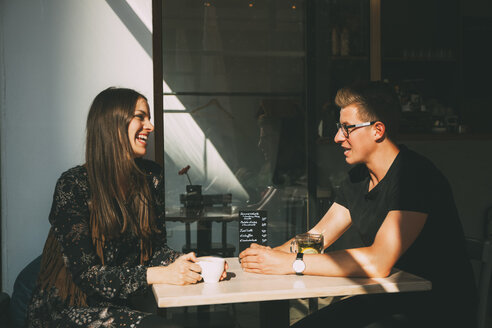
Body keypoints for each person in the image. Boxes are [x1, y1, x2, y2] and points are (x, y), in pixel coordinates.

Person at [239, 81, 477, 327]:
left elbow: (378, 262)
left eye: (346, 128)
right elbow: (316, 237)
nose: (337, 137)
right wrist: (264, 256)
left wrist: (292, 264)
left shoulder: (414, 176)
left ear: (377, 130)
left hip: (434, 308)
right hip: (389, 300)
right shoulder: (358, 179)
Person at [26, 87, 227, 328]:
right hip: (70, 309)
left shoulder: (151, 177)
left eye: (149, 118)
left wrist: (191, 264)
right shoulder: (73, 185)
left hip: (121, 307)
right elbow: (87, 276)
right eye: (141, 117)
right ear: (112, 124)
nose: (150, 126)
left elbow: (154, 250)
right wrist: (159, 274)